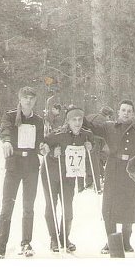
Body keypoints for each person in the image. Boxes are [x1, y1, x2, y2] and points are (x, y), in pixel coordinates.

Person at [83, 99, 135, 254]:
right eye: (123, 110)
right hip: (112, 169)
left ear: (133, 114)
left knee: (128, 206)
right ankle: (112, 241)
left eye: (129, 111)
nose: (126, 113)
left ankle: (126, 241)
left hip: (130, 171)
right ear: (118, 112)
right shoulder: (108, 126)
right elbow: (91, 128)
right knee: (109, 207)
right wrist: (79, 113)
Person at [0, 86, 45, 259]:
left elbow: (39, 141)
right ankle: (0, 246)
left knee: (28, 207)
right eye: (25, 97)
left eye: (31, 97)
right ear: (20, 99)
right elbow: (5, 129)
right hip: (14, 165)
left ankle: (26, 243)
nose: (28, 100)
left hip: (31, 166)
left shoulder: (38, 120)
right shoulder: (10, 115)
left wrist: (43, 147)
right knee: (7, 206)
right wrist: (7, 141)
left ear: (35, 100)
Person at [40, 106, 94, 252]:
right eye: (74, 120)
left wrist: (90, 145)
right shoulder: (57, 134)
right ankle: (54, 239)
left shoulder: (85, 134)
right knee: (51, 205)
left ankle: (64, 237)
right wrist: (51, 152)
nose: (77, 123)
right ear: (68, 121)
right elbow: (43, 146)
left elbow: (91, 142)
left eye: (80, 119)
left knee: (68, 209)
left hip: (69, 176)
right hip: (51, 174)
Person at [83, 106, 114, 193]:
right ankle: (97, 187)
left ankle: (88, 182)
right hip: (95, 141)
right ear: (108, 115)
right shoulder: (105, 121)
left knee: (87, 161)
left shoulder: (90, 116)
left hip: (83, 140)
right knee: (95, 162)